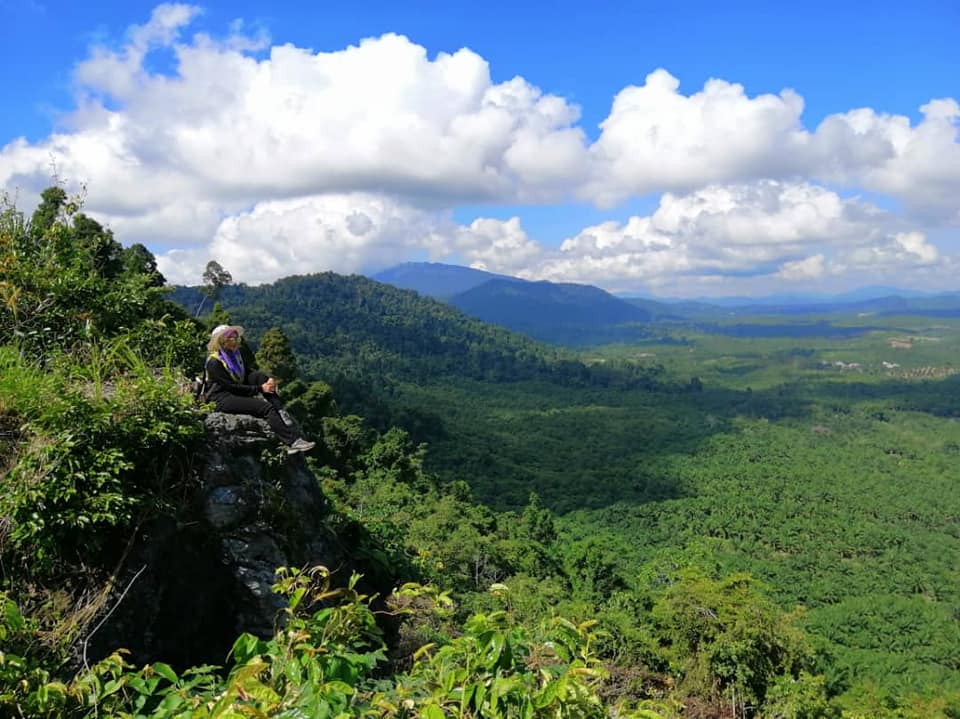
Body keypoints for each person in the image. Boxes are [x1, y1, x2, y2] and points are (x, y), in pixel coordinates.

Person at [205, 324, 315, 455]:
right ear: (221, 342)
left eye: (235, 337)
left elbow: (244, 373)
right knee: (266, 408)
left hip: (232, 392)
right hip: (221, 398)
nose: (234, 340)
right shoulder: (214, 362)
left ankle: (280, 410)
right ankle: (292, 442)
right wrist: (259, 388)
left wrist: (267, 380)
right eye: (230, 338)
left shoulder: (233, 356)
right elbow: (230, 386)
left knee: (259, 376)